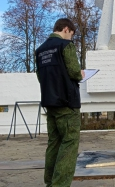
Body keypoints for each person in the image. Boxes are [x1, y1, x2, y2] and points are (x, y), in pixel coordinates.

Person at [35, 18, 85, 187]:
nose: (70, 38)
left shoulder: (40, 50)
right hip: (67, 103)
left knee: (53, 143)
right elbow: (74, 72)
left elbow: (40, 77)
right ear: (66, 29)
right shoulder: (65, 46)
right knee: (69, 144)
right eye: (71, 34)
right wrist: (81, 74)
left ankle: (49, 182)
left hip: (50, 103)